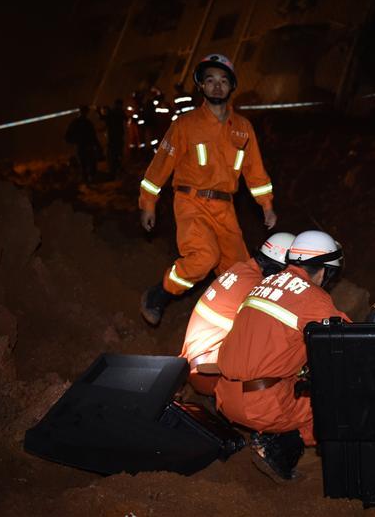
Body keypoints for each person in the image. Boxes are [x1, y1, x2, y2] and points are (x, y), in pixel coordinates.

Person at [139, 53, 277, 326]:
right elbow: (159, 168)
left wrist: (267, 205)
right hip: (191, 202)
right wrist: (148, 204)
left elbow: (255, 171)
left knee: (240, 273)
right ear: (201, 86)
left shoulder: (243, 128)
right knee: (204, 257)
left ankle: (238, 326)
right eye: (210, 80)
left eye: (223, 80)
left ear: (232, 86)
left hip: (225, 207)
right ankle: (160, 293)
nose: (217, 86)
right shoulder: (185, 125)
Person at [215, 230, 348, 481]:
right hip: (259, 405)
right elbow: (350, 342)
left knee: (295, 377)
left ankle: (266, 431)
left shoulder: (263, 284)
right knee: (334, 401)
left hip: (225, 395)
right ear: (323, 270)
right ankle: (279, 447)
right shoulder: (314, 298)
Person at [180, 231, 295, 395]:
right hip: (210, 374)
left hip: (198, 364)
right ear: (273, 269)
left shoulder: (241, 269)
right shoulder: (256, 288)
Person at [65, 105, 101, 184]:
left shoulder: (83, 122)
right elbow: (68, 136)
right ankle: (87, 180)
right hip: (83, 146)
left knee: (88, 163)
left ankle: (88, 180)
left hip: (85, 146)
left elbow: (93, 135)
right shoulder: (80, 122)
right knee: (85, 164)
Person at [101, 99, 126, 177]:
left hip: (113, 137)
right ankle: (116, 169)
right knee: (116, 153)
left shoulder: (112, 113)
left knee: (114, 153)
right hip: (116, 137)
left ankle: (114, 169)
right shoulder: (119, 112)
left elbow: (105, 120)